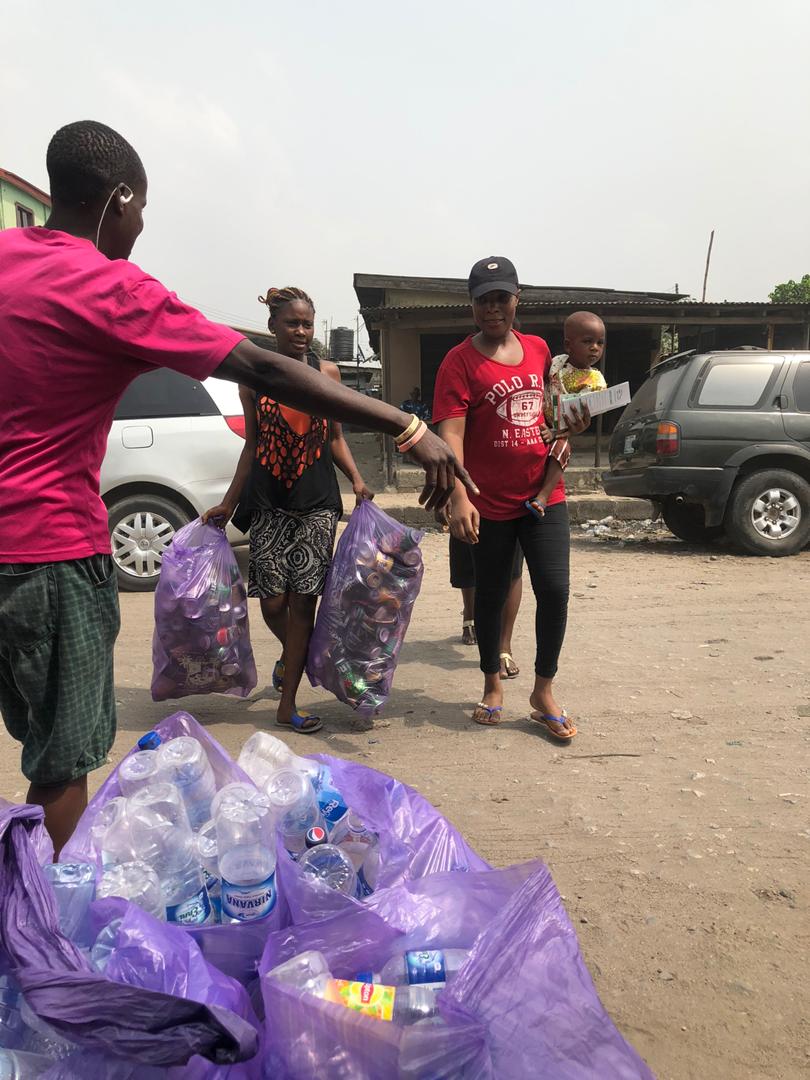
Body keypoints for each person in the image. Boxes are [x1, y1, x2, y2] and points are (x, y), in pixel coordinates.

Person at [0, 120, 472, 855]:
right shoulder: (108, 286)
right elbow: (263, 370)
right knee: (61, 762)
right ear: (119, 197)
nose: (140, 226)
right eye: (142, 209)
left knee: (35, 737)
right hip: (48, 551)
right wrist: (410, 429)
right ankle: (51, 934)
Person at [203, 286, 373, 734]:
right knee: (273, 602)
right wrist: (228, 502)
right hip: (268, 501)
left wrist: (356, 480)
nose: (301, 331)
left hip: (317, 503)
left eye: (307, 323)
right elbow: (253, 445)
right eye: (292, 323)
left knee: (304, 604)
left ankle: (289, 702)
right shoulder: (255, 378)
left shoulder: (327, 372)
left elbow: (336, 438)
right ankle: (298, 653)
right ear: (273, 327)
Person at [432, 256, 589, 738]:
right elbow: (450, 435)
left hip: (545, 496)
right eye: (484, 300)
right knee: (492, 594)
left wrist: (573, 423)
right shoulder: (458, 362)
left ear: (517, 299)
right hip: (489, 502)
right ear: (472, 305)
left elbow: (550, 412)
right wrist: (459, 495)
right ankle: (492, 685)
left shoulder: (541, 350)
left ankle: (543, 691)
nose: (494, 307)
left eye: (502, 297)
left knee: (556, 590)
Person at [528, 311, 607, 517]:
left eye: (600, 343)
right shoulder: (557, 363)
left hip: (560, 428)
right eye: (587, 341)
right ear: (568, 345)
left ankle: (543, 498)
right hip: (537, 416)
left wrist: (556, 432)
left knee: (561, 450)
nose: (595, 348)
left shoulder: (595, 381)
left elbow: (578, 415)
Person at [447, 527, 523, 677]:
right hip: (472, 503)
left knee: (512, 563)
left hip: (513, 505)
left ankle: (504, 647)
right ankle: (469, 613)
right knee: (466, 542)